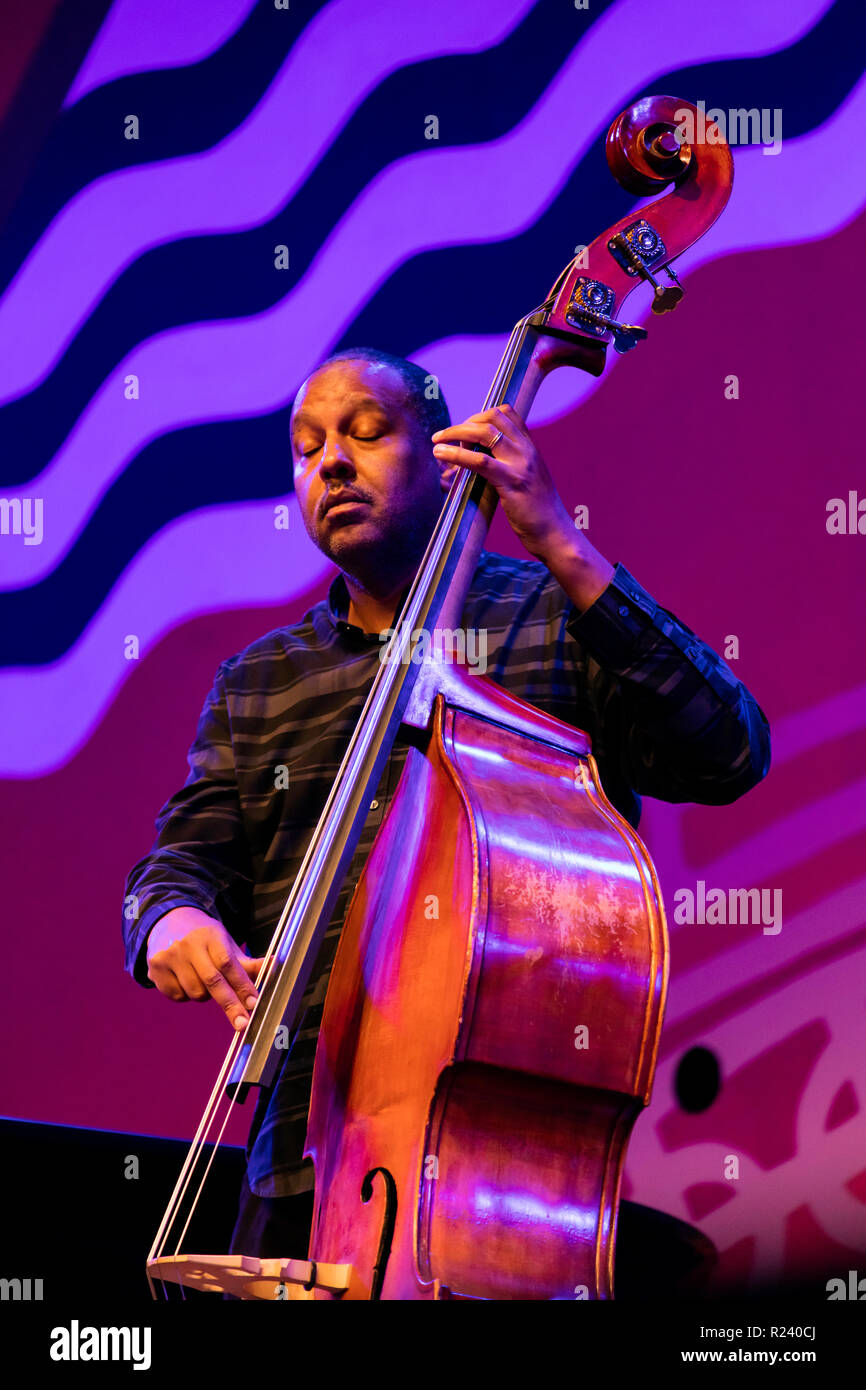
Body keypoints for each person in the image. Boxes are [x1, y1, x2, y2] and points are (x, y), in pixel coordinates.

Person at [122, 347, 770, 1277]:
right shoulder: (260, 680)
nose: (331, 463)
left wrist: (557, 536)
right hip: (295, 1161)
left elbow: (731, 750)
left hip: (497, 1178)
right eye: (306, 450)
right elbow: (181, 861)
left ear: (443, 453)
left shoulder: (552, 616)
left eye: (367, 433)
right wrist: (168, 918)